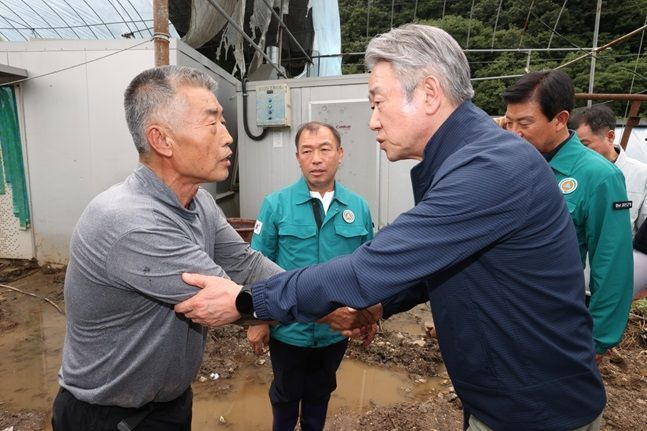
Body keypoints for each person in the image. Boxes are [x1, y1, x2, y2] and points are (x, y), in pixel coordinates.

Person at [176, 24, 607, 431]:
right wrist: (380, 307)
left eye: (378, 101)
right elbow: (434, 264)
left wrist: (248, 301)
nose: (373, 120)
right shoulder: (466, 160)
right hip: (508, 397)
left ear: (429, 93)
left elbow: (366, 269)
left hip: (536, 410)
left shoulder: (488, 168)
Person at [51, 65, 283, 431]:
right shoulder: (130, 222)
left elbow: (247, 264)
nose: (227, 137)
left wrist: (322, 292)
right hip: (112, 417)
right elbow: (229, 299)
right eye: (212, 123)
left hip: (168, 403)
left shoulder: (200, 203)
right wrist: (329, 307)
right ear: (161, 140)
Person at [246, 121, 374, 431]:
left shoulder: (358, 207)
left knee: (320, 393)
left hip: (334, 331)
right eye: (307, 151)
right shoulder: (276, 205)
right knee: (285, 396)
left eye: (324, 149)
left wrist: (370, 315)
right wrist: (258, 320)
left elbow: (369, 268)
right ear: (298, 157)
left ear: (340, 154)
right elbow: (256, 263)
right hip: (288, 329)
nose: (316, 159)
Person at [502, 70, 633, 363]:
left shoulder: (598, 176)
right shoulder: (507, 162)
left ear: (560, 119)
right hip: (502, 319)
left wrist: (597, 340)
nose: (514, 132)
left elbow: (612, 266)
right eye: (508, 122)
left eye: (525, 123)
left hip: (552, 326)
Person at [569, 104, 647, 235]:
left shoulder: (641, 175)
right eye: (574, 146)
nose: (578, 152)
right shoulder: (568, 173)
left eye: (585, 145)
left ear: (610, 137)